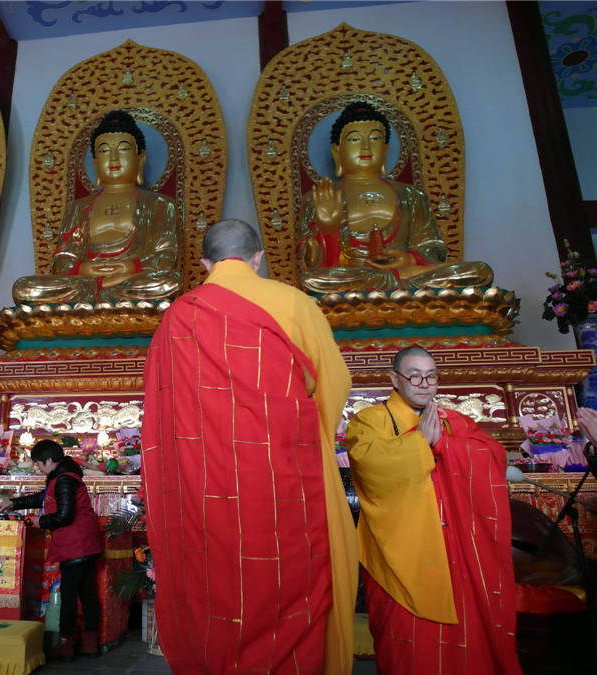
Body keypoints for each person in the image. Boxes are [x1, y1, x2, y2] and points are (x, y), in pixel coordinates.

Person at [141, 219, 357, 674]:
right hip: (288, 478)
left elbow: (162, 407)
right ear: (259, 257)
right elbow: (334, 384)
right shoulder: (295, 302)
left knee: (215, 583)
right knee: (291, 577)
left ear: (204, 264)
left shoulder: (179, 314)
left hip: (206, 487)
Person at [344, 346, 522, 675]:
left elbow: (492, 453)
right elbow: (369, 463)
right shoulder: (370, 421)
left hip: (455, 550)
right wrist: (418, 443)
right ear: (394, 379)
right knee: (410, 648)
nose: (424, 383)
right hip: (401, 552)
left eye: (431, 376)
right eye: (414, 375)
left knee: (465, 642)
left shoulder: (453, 420)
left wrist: (444, 444)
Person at [297, 102, 493, 292]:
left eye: (374, 139)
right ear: (337, 152)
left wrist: (410, 259)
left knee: (480, 271)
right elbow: (310, 267)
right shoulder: (320, 197)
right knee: (313, 280)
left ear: (386, 150)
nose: (366, 147)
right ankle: (395, 287)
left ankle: (394, 284)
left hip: (406, 273)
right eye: (355, 139)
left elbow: (432, 247)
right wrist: (328, 230)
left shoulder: (411, 195)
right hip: (355, 276)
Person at [12, 109, 181, 304]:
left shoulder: (160, 205)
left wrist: (127, 267)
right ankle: (101, 296)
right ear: (95, 163)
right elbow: (62, 259)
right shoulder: (78, 208)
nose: (114, 158)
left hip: (131, 280)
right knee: (24, 288)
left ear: (140, 158)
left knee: (169, 283)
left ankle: (98, 299)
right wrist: (86, 269)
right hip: (84, 282)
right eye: (104, 151)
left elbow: (166, 257)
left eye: (123, 149)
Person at [0, 439, 103, 660]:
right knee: (87, 593)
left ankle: (65, 644)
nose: (37, 468)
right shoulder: (62, 476)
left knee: (71, 595)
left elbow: (64, 515)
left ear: (50, 460)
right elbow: (44, 498)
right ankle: (90, 644)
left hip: (76, 543)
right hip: (84, 541)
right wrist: (13, 504)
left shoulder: (63, 479)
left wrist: (39, 522)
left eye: (38, 464)